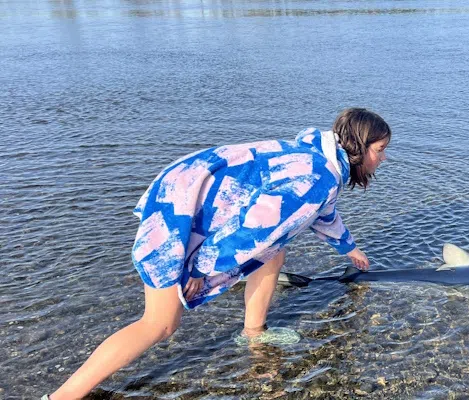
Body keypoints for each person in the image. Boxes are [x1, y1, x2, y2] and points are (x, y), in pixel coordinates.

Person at [46, 108, 391, 400]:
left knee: (273, 252)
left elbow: (320, 214)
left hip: (183, 191)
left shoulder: (316, 157)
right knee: (160, 324)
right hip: (182, 214)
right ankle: (62, 397)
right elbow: (252, 228)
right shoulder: (319, 176)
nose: (383, 158)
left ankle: (253, 332)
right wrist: (201, 267)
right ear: (357, 146)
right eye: (380, 149)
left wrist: (350, 249)